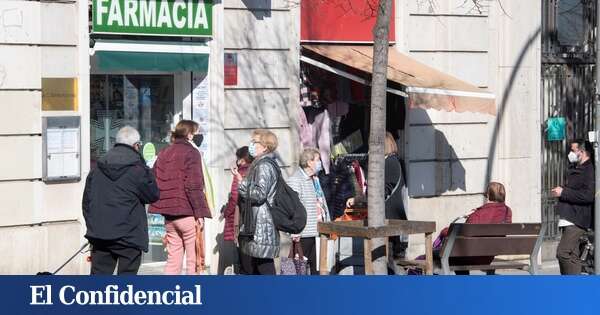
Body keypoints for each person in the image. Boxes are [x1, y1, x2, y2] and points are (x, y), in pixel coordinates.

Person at [83, 126, 160, 275]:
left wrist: (93, 226)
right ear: (136, 145)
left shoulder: (97, 168)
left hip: (101, 235)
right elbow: (153, 195)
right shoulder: (138, 169)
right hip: (129, 236)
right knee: (126, 285)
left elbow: (87, 203)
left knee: (98, 283)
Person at [149, 120, 211, 275]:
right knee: (194, 260)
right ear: (189, 134)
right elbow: (193, 185)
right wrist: (200, 213)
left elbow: (154, 178)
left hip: (169, 215)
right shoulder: (192, 152)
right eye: (196, 133)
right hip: (187, 212)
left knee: (173, 258)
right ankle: (194, 294)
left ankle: (170, 293)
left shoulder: (164, 152)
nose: (197, 137)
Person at [437, 182, 512, 275]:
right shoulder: (508, 212)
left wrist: (444, 231)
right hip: (488, 256)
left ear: (488, 195)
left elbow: (462, 234)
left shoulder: (477, 215)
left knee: (435, 256)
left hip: (470, 256)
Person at [237, 129, 280, 275]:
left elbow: (259, 194)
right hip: (259, 221)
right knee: (257, 264)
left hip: (262, 222)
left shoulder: (263, 165)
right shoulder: (260, 163)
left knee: (264, 264)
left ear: (265, 146)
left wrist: (241, 182)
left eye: (255, 142)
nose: (251, 145)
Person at [552, 139, 595, 275]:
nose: (570, 153)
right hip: (569, 217)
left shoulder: (589, 170)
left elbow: (588, 196)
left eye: (573, 150)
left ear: (582, 152)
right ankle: (573, 288)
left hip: (577, 218)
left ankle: (570, 286)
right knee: (573, 256)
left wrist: (564, 192)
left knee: (563, 253)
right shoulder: (576, 168)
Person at [287, 148, 331, 275]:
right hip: (303, 233)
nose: (320, 163)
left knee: (316, 268)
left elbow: (322, 203)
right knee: (296, 269)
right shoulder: (296, 179)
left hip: (318, 231)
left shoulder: (315, 179)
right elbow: (292, 207)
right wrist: (293, 230)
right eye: (317, 160)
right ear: (309, 162)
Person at [219, 146, 253, 274]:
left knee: (242, 255)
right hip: (254, 218)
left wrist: (226, 213)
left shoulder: (241, 173)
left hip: (241, 219)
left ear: (242, 160)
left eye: (238, 158)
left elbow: (234, 197)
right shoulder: (256, 170)